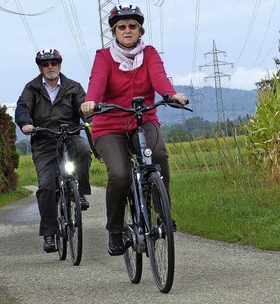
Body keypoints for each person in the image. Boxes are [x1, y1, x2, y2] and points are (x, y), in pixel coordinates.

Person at [80, 4, 188, 256]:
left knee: (159, 156)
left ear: (140, 30)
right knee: (120, 174)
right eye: (121, 27)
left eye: (132, 26)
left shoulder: (149, 53)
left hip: (143, 119)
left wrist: (171, 94)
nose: (127, 30)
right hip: (109, 125)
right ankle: (115, 230)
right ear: (114, 32)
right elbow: (96, 81)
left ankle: (163, 214)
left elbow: (159, 77)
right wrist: (91, 101)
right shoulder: (104, 57)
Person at [15, 48, 93, 253]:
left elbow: (83, 106)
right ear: (40, 67)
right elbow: (22, 107)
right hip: (44, 140)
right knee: (47, 186)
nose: (50, 67)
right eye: (46, 64)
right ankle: (49, 233)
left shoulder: (73, 87)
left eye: (54, 63)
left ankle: (81, 192)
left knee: (84, 151)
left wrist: (89, 120)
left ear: (60, 65)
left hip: (70, 135)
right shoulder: (31, 88)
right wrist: (25, 123)